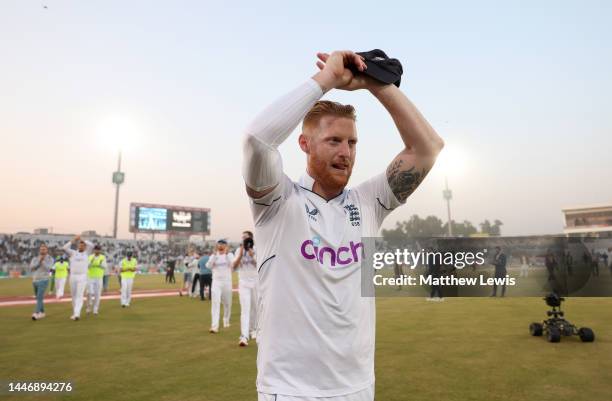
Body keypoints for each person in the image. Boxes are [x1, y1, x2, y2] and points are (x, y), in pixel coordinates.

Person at [241, 50, 443, 400]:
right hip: (290, 391)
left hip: (358, 388)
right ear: (304, 144)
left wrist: (375, 84)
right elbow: (257, 140)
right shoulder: (277, 202)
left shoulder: (368, 203)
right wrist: (327, 81)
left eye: (352, 142)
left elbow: (427, 148)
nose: (346, 152)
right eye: (334, 140)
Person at [233, 231, 258, 346]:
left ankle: (253, 330)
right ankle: (244, 336)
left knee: (255, 308)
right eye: (243, 238)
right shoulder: (239, 250)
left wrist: (252, 255)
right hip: (243, 282)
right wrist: (241, 254)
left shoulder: (257, 249)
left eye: (246, 238)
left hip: (255, 282)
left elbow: (259, 265)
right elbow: (234, 267)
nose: (245, 240)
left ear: (251, 239)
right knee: (245, 309)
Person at [63, 235, 94, 320]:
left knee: (79, 295)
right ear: (77, 246)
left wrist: (82, 239)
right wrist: (73, 240)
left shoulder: (87, 253)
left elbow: (91, 245)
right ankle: (74, 313)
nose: (81, 246)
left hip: (82, 276)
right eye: (80, 244)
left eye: (83, 245)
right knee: (73, 296)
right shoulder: (73, 253)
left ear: (85, 247)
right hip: (73, 276)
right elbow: (65, 248)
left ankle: (77, 314)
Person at [207, 239, 234, 333]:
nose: (221, 246)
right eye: (219, 245)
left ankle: (226, 319)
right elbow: (208, 266)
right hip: (216, 282)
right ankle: (214, 326)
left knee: (227, 303)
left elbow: (233, 266)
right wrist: (214, 257)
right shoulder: (214, 255)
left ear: (226, 246)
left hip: (227, 282)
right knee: (215, 303)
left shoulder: (230, 255)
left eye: (223, 245)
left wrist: (226, 255)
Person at [30, 243, 54, 320]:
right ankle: (42, 312)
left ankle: (36, 313)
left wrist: (42, 262)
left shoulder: (50, 258)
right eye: (41, 249)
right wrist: (39, 262)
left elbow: (49, 269)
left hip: (44, 280)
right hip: (35, 280)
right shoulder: (35, 258)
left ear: (47, 250)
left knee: (39, 297)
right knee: (38, 298)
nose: (42, 250)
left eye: (44, 249)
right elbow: (32, 268)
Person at [86, 245, 107, 315]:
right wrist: (92, 263)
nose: (97, 251)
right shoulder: (90, 257)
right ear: (94, 250)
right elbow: (87, 266)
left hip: (99, 277)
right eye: (96, 250)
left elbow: (104, 267)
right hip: (90, 277)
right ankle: (88, 308)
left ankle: (95, 310)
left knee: (97, 294)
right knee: (89, 292)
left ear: (100, 250)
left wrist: (99, 265)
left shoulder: (103, 257)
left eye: (98, 250)